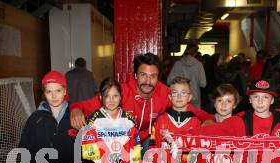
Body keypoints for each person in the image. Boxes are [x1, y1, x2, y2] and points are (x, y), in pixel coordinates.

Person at [70, 53, 213, 152]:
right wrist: (76, 110)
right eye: (143, 75)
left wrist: (207, 120)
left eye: (153, 76)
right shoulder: (122, 92)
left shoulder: (164, 93)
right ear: (135, 75)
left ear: (158, 78)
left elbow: (193, 110)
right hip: (120, 143)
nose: (148, 81)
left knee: (152, 149)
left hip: (146, 142)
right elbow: (86, 105)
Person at [19, 70, 75, 163]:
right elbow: (25, 143)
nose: (54, 95)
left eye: (58, 90)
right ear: (44, 93)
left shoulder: (74, 116)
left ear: (65, 91)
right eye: (49, 91)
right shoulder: (36, 118)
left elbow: (85, 144)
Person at [81, 77, 141, 163]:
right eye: (107, 96)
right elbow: (88, 153)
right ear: (100, 97)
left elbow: (135, 149)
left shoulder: (129, 120)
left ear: (121, 97)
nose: (111, 100)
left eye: (115, 95)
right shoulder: (93, 120)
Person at [192, 84, 241, 163]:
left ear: (234, 105)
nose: (223, 105)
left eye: (228, 101)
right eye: (219, 100)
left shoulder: (240, 128)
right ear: (214, 103)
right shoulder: (205, 126)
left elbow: (243, 159)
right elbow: (195, 154)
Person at [167, 44, 207, 108]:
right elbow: (203, 84)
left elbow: (169, 81)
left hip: (180, 97)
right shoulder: (199, 65)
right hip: (194, 97)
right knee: (194, 117)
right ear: (195, 53)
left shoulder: (177, 64)